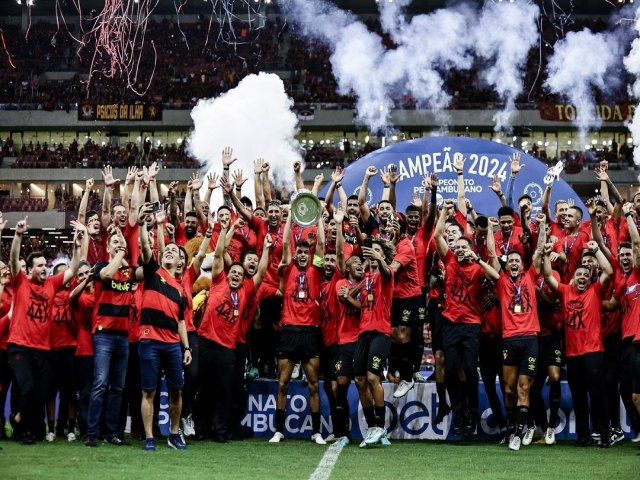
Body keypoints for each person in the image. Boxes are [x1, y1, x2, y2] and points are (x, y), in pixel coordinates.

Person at [8, 216, 83, 444]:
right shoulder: (21, 282)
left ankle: (19, 419)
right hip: (20, 345)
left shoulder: (51, 284)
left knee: (40, 394)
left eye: (44, 265)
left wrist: (77, 246)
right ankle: (27, 432)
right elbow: (13, 261)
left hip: (43, 349)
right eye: (39, 266)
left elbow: (72, 270)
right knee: (28, 389)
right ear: (29, 269)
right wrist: (18, 236)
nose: (44, 269)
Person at [196, 215, 269, 442]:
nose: (237, 275)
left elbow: (261, 272)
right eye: (233, 272)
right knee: (204, 389)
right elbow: (219, 253)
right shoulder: (218, 281)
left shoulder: (247, 290)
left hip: (227, 347)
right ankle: (201, 429)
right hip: (206, 341)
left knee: (224, 391)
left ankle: (220, 431)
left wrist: (265, 249)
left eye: (240, 273)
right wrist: (227, 230)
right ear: (227, 274)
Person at [543, 239, 613, 447]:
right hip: (572, 354)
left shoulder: (595, 291)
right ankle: (583, 435)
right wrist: (546, 254)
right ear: (573, 279)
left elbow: (608, 271)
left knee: (597, 394)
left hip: (593, 351)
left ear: (590, 277)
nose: (582, 277)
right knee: (578, 396)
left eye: (585, 275)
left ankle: (603, 434)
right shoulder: (565, 292)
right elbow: (548, 276)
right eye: (578, 275)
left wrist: (596, 249)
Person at [137, 203, 193, 451]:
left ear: (181, 260)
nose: (169, 251)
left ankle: (173, 433)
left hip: (172, 344)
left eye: (174, 250)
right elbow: (148, 247)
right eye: (167, 249)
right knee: (148, 392)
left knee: (177, 392)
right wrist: (142, 225)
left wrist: (187, 347)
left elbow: (181, 321)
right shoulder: (152, 271)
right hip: (149, 341)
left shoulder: (180, 289)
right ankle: (150, 437)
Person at [269, 210, 327, 444]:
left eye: (305, 251)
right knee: (282, 383)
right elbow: (284, 242)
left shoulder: (317, 269)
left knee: (313, 385)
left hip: (311, 330)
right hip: (290, 330)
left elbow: (322, 243)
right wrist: (291, 215)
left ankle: (316, 432)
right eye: (299, 251)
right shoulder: (288, 267)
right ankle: (279, 430)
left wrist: (320, 216)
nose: (302, 254)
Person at [434, 199, 490, 438]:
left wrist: (476, 258)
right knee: (452, 369)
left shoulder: (477, 267)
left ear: (471, 249)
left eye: (464, 246)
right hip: (450, 322)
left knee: (469, 368)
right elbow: (437, 236)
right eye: (456, 246)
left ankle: (471, 411)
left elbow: (496, 277)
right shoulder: (450, 260)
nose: (459, 249)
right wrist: (445, 213)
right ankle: (458, 412)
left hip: (471, 324)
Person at [85, 226, 136, 447]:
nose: (117, 244)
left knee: (117, 387)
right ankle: (92, 433)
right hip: (103, 335)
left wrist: (125, 252)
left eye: (120, 242)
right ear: (107, 248)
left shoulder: (129, 272)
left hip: (123, 335)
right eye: (113, 242)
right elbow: (106, 275)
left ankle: (112, 432)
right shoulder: (101, 266)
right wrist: (121, 253)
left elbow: (145, 269)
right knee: (100, 384)